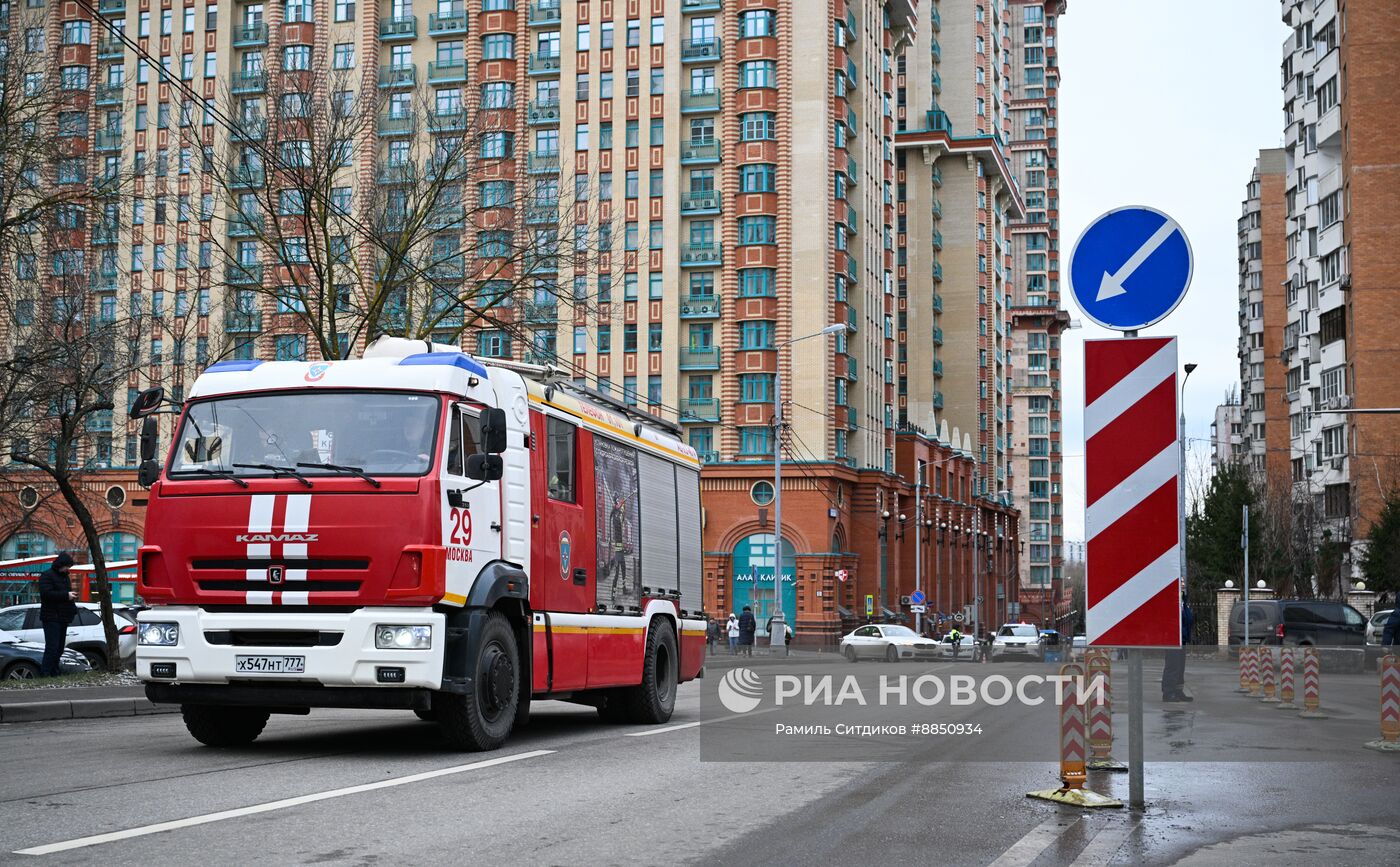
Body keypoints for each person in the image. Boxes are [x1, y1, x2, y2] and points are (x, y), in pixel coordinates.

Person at [37, 553, 78, 677]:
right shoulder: (47, 575)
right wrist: (67, 595)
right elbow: (46, 594)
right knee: (52, 647)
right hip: (51, 617)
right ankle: (45, 673)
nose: (68, 569)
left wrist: (71, 601)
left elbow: (61, 594)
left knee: (59, 648)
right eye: (67, 566)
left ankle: (54, 671)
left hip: (62, 617)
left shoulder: (65, 577)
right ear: (61, 564)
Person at [1162, 593, 1194, 702]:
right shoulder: (1171, 602)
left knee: (1180, 667)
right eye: (1181, 582)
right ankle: (1168, 692)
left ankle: (1178, 691)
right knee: (1172, 666)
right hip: (1173, 638)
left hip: (1182, 638)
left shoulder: (1183, 602)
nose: (1183, 584)